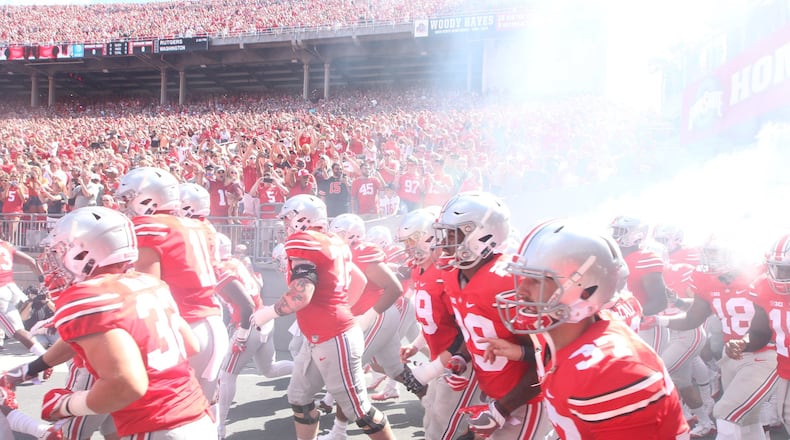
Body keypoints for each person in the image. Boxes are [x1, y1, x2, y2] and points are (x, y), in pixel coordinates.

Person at [488, 219, 689, 439]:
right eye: (523, 277)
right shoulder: (560, 335)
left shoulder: (610, 371)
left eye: (537, 280)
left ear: (584, 292)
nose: (520, 291)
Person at [38, 206, 213, 438]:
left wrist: (67, 404)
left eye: (63, 250)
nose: (58, 260)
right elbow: (191, 345)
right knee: (110, 429)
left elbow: (126, 385)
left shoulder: (88, 297)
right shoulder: (148, 283)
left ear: (86, 253)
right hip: (197, 418)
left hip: (157, 427)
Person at [251, 194, 396, 440]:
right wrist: (339, 307)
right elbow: (358, 279)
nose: (286, 225)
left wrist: (266, 313)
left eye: (289, 219)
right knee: (299, 398)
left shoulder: (305, 241)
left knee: (359, 410)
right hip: (322, 334)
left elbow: (301, 295)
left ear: (302, 218)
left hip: (333, 336)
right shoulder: (333, 240)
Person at [432, 191, 551, 439]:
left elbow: (548, 357)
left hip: (525, 404)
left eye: (452, 234)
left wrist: (502, 409)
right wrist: (462, 359)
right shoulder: (454, 275)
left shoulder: (509, 279)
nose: (444, 244)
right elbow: (476, 329)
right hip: (495, 398)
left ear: (481, 235)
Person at [644, 235, 776, 439]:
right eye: (708, 254)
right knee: (748, 421)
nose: (709, 260)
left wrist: (745, 341)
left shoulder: (759, 275)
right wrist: (661, 321)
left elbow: (765, 325)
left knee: (725, 413)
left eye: (715, 254)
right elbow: (693, 318)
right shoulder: (706, 280)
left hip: (765, 352)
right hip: (731, 354)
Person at [116, 167, 228, 406]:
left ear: (148, 197)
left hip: (181, 328)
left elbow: (148, 290)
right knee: (200, 414)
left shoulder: (149, 226)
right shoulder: (197, 226)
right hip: (212, 323)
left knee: (157, 416)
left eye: (129, 198)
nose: (126, 205)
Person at [397, 207, 477, 440]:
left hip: (461, 361)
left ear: (429, 236)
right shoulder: (420, 270)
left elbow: (466, 330)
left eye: (411, 241)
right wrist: (415, 344)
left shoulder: (449, 272)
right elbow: (434, 320)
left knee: (445, 427)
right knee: (432, 415)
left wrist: (431, 369)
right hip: (441, 358)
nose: (407, 248)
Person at [214, 233, 293, 439]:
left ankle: (219, 426)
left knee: (227, 374)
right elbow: (256, 287)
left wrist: (241, 334)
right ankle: (307, 369)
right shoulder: (235, 262)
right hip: (263, 318)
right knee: (269, 370)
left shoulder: (220, 269)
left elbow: (246, 305)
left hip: (249, 324)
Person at [728, 233, 790, 435]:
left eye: (786, 269)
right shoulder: (764, 287)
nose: (780, 275)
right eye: (776, 267)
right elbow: (759, 332)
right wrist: (742, 342)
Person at [609, 215, 669, 352]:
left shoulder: (646, 259)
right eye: (614, 230)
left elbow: (660, 301)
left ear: (637, 235)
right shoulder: (614, 258)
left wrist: (629, 316)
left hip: (646, 328)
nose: (614, 235)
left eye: (620, 231)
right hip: (624, 328)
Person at [0, 239, 48, 357]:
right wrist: (44, 283)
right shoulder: (5, 245)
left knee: (18, 331)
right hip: (10, 288)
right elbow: (31, 262)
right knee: (18, 329)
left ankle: (44, 358)